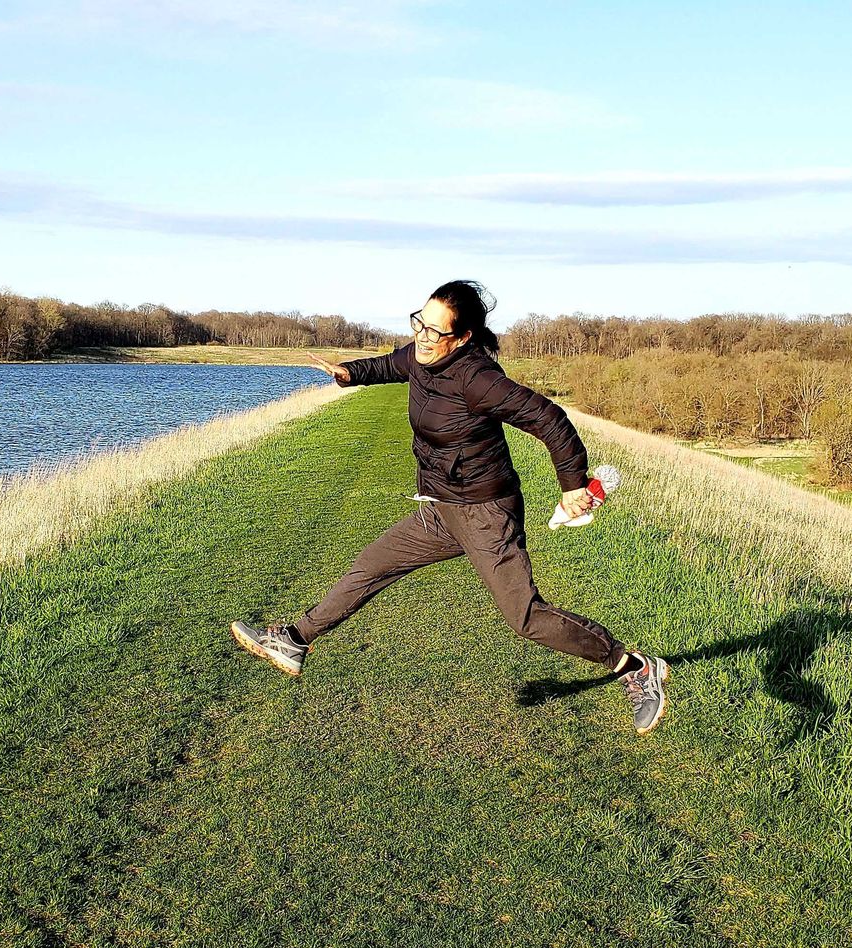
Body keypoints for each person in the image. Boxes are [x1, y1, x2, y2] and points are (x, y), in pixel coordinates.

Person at [230, 280, 671, 735]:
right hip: (442, 506)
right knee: (372, 565)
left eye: (434, 331)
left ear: (460, 339)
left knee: (524, 617)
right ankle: (294, 640)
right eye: (419, 322)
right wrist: (350, 373)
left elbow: (549, 419)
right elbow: (390, 364)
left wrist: (572, 485)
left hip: (486, 513)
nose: (421, 335)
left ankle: (634, 666)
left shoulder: (478, 379)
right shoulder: (422, 354)